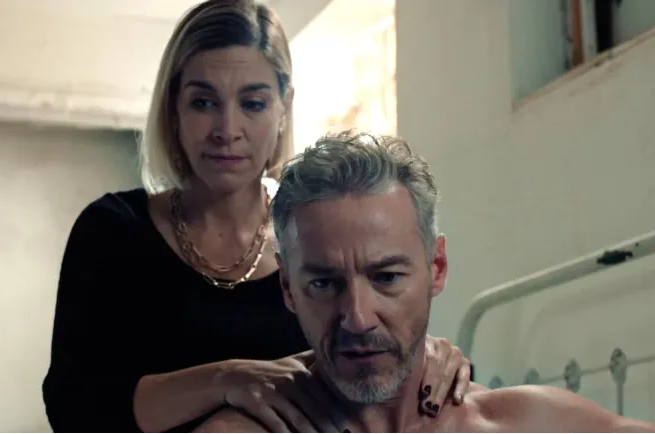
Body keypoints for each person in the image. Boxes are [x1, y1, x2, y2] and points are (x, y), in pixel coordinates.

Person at [41, 1, 473, 433]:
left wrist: (429, 359)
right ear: (174, 109)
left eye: (252, 103)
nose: (227, 130)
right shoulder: (114, 231)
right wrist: (226, 380)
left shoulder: (310, 236)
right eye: (203, 102)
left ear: (284, 107)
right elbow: (72, 410)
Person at [193, 131, 655, 433]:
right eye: (325, 284)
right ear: (288, 289)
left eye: (387, 277)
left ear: (437, 267)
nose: (358, 318)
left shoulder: (526, 424)